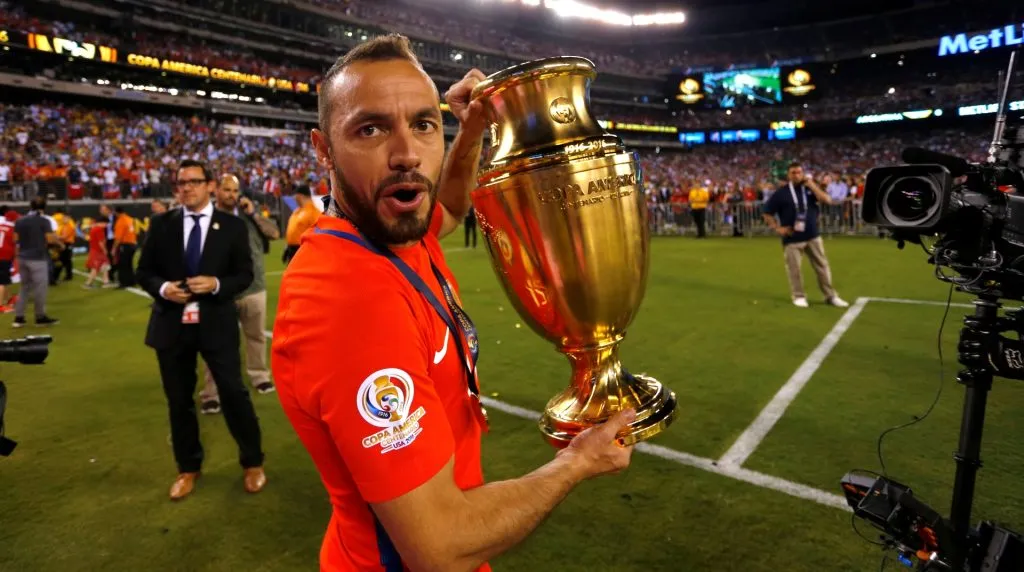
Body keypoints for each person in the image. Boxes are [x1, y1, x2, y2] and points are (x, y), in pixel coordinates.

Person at [271, 34, 634, 572]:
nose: (407, 155)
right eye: (370, 129)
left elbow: (451, 208)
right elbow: (440, 545)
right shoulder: (349, 304)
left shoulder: (393, 232)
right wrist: (577, 463)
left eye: (422, 124)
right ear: (323, 149)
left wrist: (471, 130)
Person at [136, 159, 266, 501]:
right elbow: (144, 271)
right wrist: (164, 288)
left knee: (233, 393)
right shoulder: (161, 224)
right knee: (178, 401)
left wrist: (217, 284)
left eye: (194, 181)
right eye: (181, 183)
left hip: (216, 322)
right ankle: (188, 467)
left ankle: (253, 461)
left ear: (210, 185)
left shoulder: (232, 226)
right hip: (171, 323)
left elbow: (244, 274)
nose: (187, 188)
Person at [199, 174, 280, 415]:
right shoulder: (207, 217)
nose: (231, 195)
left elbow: (274, 233)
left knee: (256, 336)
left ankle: (259, 376)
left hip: (254, 287)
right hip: (221, 291)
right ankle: (212, 392)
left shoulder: (248, 215)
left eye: (235, 191)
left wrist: (254, 213)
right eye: (227, 190)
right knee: (217, 344)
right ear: (216, 191)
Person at [762, 162, 850, 309]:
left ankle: (831, 296)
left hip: (812, 235)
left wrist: (812, 185)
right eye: (793, 173)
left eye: (799, 172)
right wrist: (777, 228)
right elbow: (767, 212)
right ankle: (799, 296)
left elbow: (827, 200)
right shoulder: (781, 193)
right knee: (794, 269)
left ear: (803, 174)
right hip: (792, 237)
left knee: (822, 266)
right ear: (788, 175)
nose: (796, 175)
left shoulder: (810, 189)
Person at [12, 197, 62, 327]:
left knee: (24, 288)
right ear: (44, 207)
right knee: (40, 288)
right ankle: (40, 317)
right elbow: (50, 239)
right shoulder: (44, 221)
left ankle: (19, 318)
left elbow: (15, 239)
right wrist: (60, 244)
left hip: (23, 257)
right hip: (37, 258)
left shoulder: (20, 220)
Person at [282, 185, 317, 264]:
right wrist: (287, 247)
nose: (294, 198)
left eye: (296, 196)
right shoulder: (297, 211)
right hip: (292, 250)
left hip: (304, 250)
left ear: (300, 196)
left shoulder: (313, 212)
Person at [111, 206, 138, 288]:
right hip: (133, 244)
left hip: (125, 245)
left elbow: (118, 238)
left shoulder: (120, 221)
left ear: (116, 212)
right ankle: (132, 281)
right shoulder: (129, 219)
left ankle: (123, 282)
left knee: (122, 265)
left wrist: (113, 249)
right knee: (129, 264)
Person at [82, 218, 111, 289]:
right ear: (103, 222)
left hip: (95, 250)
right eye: (106, 224)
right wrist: (105, 250)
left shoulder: (94, 228)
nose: (106, 226)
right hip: (98, 251)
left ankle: (106, 282)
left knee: (105, 265)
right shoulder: (99, 229)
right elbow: (100, 242)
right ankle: (88, 284)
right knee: (96, 268)